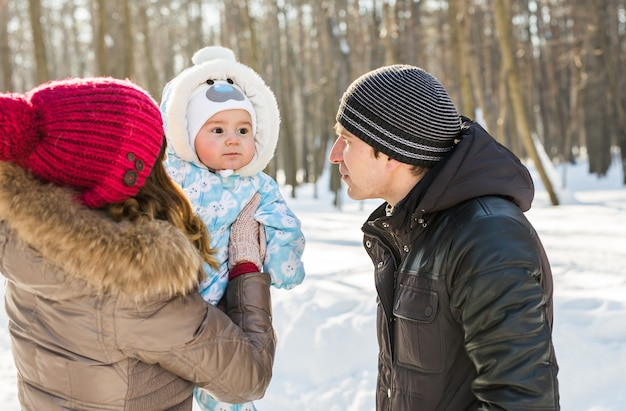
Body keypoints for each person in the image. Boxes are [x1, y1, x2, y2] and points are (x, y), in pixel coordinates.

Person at [0, 77, 275, 410]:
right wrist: (245, 264)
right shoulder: (133, 289)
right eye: (156, 156)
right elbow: (249, 378)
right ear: (127, 178)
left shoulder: (22, 240)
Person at [329, 65, 560, 410]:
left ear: (391, 152)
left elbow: (520, 401)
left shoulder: (487, 237)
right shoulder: (411, 230)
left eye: (347, 140)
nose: (334, 154)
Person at [160, 46, 305, 411]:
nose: (232, 139)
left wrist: (284, 267)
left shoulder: (257, 185)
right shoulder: (170, 176)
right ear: (185, 133)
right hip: (176, 303)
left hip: (229, 307)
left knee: (228, 390)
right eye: (217, 129)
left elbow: (285, 228)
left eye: (243, 130)